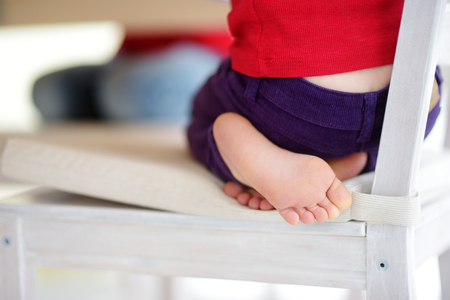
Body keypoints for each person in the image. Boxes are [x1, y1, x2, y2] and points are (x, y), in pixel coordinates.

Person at [187, 0, 442, 225]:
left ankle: (255, 152)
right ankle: (363, 159)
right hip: (413, 103)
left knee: (205, 114)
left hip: (298, 101)